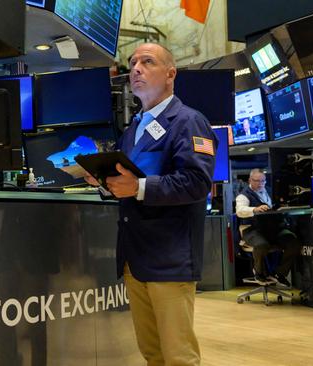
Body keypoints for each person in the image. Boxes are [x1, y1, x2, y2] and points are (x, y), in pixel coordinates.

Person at [85, 43, 216, 366]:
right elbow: (127, 185)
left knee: (178, 357)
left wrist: (139, 186)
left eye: (147, 62)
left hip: (169, 259)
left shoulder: (189, 121)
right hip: (135, 259)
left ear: (170, 73)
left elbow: (198, 183)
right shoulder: (133, 130)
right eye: (132, 63)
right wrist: (103, 181)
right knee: (152, 354)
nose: (136, 69)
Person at [235, 169, 301, 287]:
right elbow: (240, 211)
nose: (260, 184)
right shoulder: (243, 195)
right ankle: (259, 273)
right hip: (252, 229)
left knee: (293, 243)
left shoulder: (271, 191)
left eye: (263, 181)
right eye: (257, 181)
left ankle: (280, 274)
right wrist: (254, 209)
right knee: (261, 245)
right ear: (250, 180)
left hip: (274, 229)